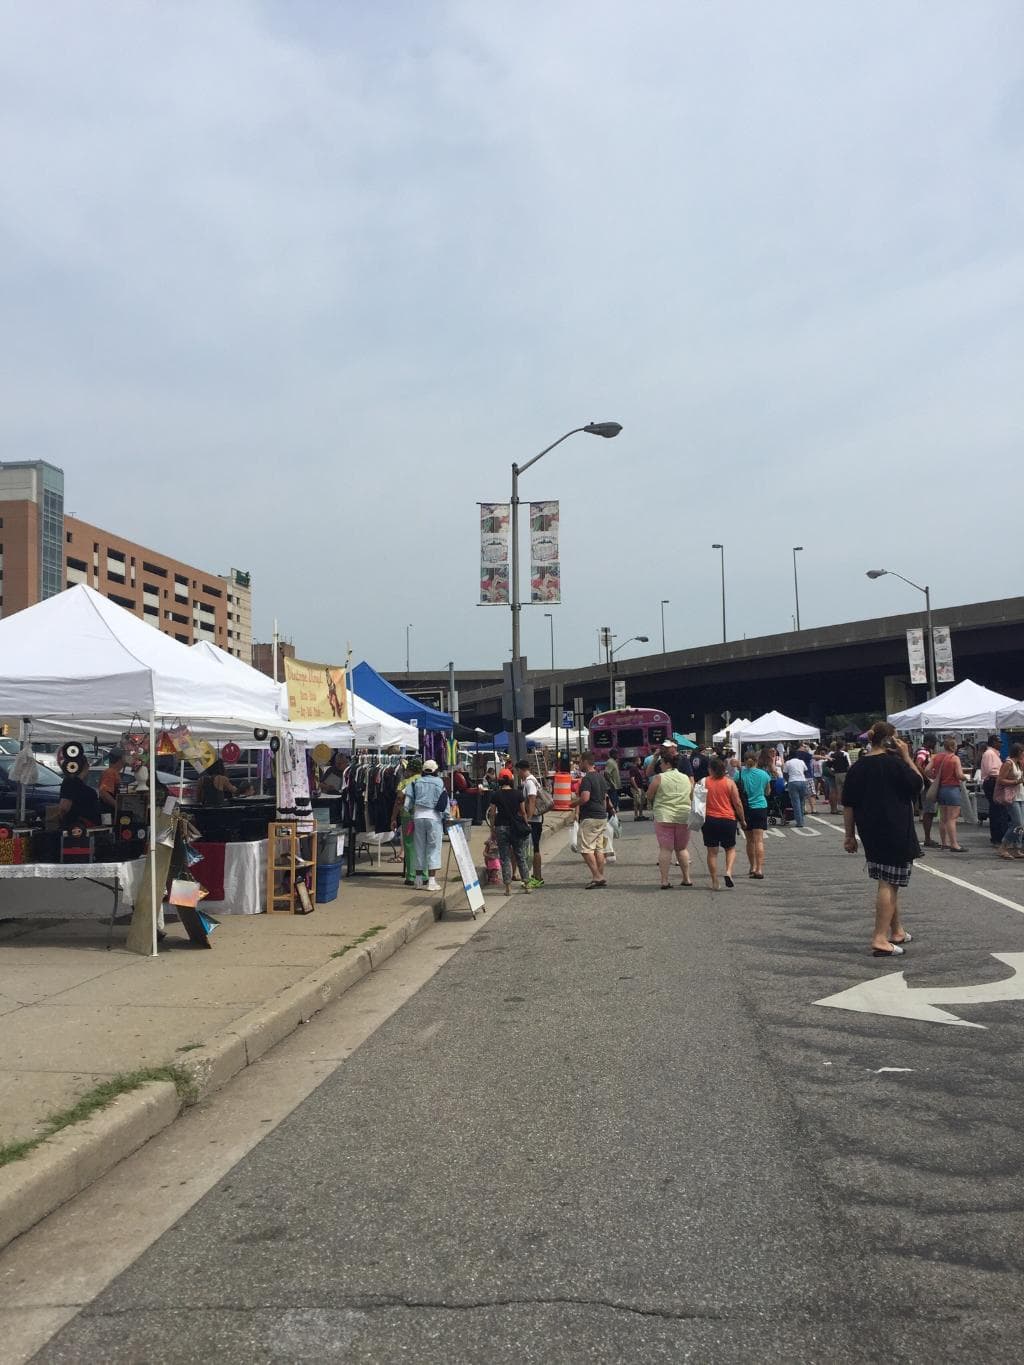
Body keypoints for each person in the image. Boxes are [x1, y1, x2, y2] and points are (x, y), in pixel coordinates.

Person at [842, 721, 923, 956]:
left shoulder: (857, 767)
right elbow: (918, 784)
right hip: (896, 828)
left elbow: (849, 805)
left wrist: (849, 835)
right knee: (889, 883)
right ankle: (879, 937)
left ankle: (896, 929)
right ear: (890, 741)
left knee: (886, 878)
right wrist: (907, 757)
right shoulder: (896, 764)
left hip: (870, 830)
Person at [647, 750, 694, 888]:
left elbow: (649, 795)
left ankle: (664, 880)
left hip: (664, 816)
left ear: (667, 763)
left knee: (666, 849)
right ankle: (687, 878)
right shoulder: (685, 778)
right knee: (682, 849)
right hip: (683, 816)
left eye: (661, 762)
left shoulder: (659, 778)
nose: (660, 765)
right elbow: (691, 796)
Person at [403, 758, 447, 891]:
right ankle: (431, 882)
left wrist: (409, 811)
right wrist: (447, 816)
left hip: (418, 816)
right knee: (433, 848)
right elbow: (445, 802)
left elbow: (407, 802)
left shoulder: (416, 781)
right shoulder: (439, 782)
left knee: (419, 847)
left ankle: (417, 880)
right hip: (434, 817)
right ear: (435, 770)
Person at [702, 756, 746, 890]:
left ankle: (715, 881)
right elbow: (737, 803)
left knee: (712, 852)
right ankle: (728, 871)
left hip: (709, 819)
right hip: (728, 819)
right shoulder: (729, 783)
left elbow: (695, 799)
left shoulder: (703, 782)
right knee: (730, 848)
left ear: (711, 769)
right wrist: (742, 819)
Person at [486, 770, 532, 896]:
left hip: (501, 827)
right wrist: (526, 823)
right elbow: (523, 812)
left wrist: (492, 829)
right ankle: (527, 884)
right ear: (511, 780)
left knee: (505, 857)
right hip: (516, 827)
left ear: (500, 780)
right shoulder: (518, 794)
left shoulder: (496, 795)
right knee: (520, 855)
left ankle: (508, 887)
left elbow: (492, 813)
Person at [571, 752, 611, 889]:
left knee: (585, 848)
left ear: (585, 761)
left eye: (580, 762)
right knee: (599, 848)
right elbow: (605, 797)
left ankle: (597, 876)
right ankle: (600, 875)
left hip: (590, 816)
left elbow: (585, 798)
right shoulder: (600, 777)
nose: (578, 764)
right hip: (601, 816)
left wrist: (574, 803)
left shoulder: (587, 779)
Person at [927, 736, 966, 853]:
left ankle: (944, 843)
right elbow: (959, 775)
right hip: (952, 789)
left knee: (943, 818)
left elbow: (927, 770)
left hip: (941, 789)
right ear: (953, 747)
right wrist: (965, 777)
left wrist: (935, 776)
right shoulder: (955, 759)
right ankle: (954, 844)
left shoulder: (937, 757)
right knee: (952, 818)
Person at [737, 753, 771, 878]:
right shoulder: (764, 774)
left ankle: (752, 866)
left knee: (749, 841)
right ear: (757, 761)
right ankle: (759, 869)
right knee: (759, 840)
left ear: (745, 761)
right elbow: (768, 792)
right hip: (760, 806)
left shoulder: (740, 774)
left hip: (746, 809)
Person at [391, 756, 423, 885]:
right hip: (422, 816)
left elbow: (399, 801)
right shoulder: (424, 780)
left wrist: (393, 817)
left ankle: (411, 876)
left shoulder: (404, 783)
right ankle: (424, 875)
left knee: (409, 846)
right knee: (421, 845)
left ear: (410, 770)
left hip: (407, 816)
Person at [515, 758, 545, 888]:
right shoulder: (532, 780)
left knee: (535, 849)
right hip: (535, 820)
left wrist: (528, 818)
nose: (517, 774)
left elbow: (532, 800)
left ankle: (538, 877)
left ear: (521, 770)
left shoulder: (529, 783)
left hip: (534, 821)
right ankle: (535, 876)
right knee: (533, 849)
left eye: (517, 771)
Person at [994, 744, 1024, 861]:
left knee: (1022, 825)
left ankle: (1017, 847)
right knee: (1017, 823)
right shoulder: (1008, 763)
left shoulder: (1018, 764)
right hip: (1012, 797)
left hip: (1020, 795)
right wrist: (1015, 781)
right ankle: (1003, 846)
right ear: (1018, 752)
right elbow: (1000, 779)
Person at [57, 756, 102, 830]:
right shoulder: (70, 782)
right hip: (79, 827)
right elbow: (64, 807)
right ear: (86, 766)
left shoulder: (69, 782)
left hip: (80, 827)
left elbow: (63, 809)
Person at [979, 735, 1007, 846]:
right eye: (999, 742)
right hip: (992, 782)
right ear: (993, 742)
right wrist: (1004, 775)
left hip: (996, 781)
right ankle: (996, 837)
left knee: (999, 810)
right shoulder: (989, 754)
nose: (1001, 744)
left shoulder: (995, 754)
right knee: (996, 810)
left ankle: (999, 835)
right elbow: (992, 771)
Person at [915, 734, 937, 846]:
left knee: (930, 811)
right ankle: (927, 838)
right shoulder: (923, 752)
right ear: (929, 742)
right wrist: (927, 779)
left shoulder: (924, 751)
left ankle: (928, 837)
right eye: (934, 742)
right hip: (926, 784)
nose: (935, 745)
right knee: (929, 811)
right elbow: (918, 764)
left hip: (925, 783)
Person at [783, 746, 810, 827]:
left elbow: (785, 773)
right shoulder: (801, 761)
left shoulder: (788, 763)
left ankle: (799, 822)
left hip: (793, 781)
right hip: (802, 781)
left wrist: (788, 781)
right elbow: (805, 771)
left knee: (796, 803)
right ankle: (801, 819)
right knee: (802, 802)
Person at [98, 747, 126, 813]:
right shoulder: (109, 772)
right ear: (121, 759)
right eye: (125, 756)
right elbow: (104, 793)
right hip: (109, 813)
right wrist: (119, 807)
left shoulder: (114, 772)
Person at [828, 741, 850, 815]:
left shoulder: (832, 754)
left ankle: (839, 808)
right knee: (846, 791)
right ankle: (846, 807)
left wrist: (832, 772)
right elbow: (848, 765)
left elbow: (829, 766)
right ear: (842, 746)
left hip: (836, 774)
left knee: (839, 791)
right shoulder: (845, 754)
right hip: (844, 773)